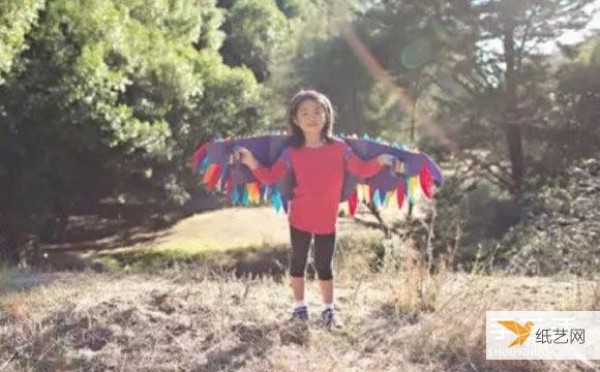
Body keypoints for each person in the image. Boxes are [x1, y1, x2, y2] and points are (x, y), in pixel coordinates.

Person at [234, 89, 402, 328]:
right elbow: (270, 177)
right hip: (300, 217)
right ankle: (299, 307)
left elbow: (361, 169)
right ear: (295, 119)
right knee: (298, 263)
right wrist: (251, 162)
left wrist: (381, 161)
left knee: (324, 265)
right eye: (304, 113)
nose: (311, 117)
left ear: (327, 115)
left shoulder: (340, 148)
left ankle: (328, 310)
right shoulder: (291, 153)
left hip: (327, 220)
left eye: (317, 111)